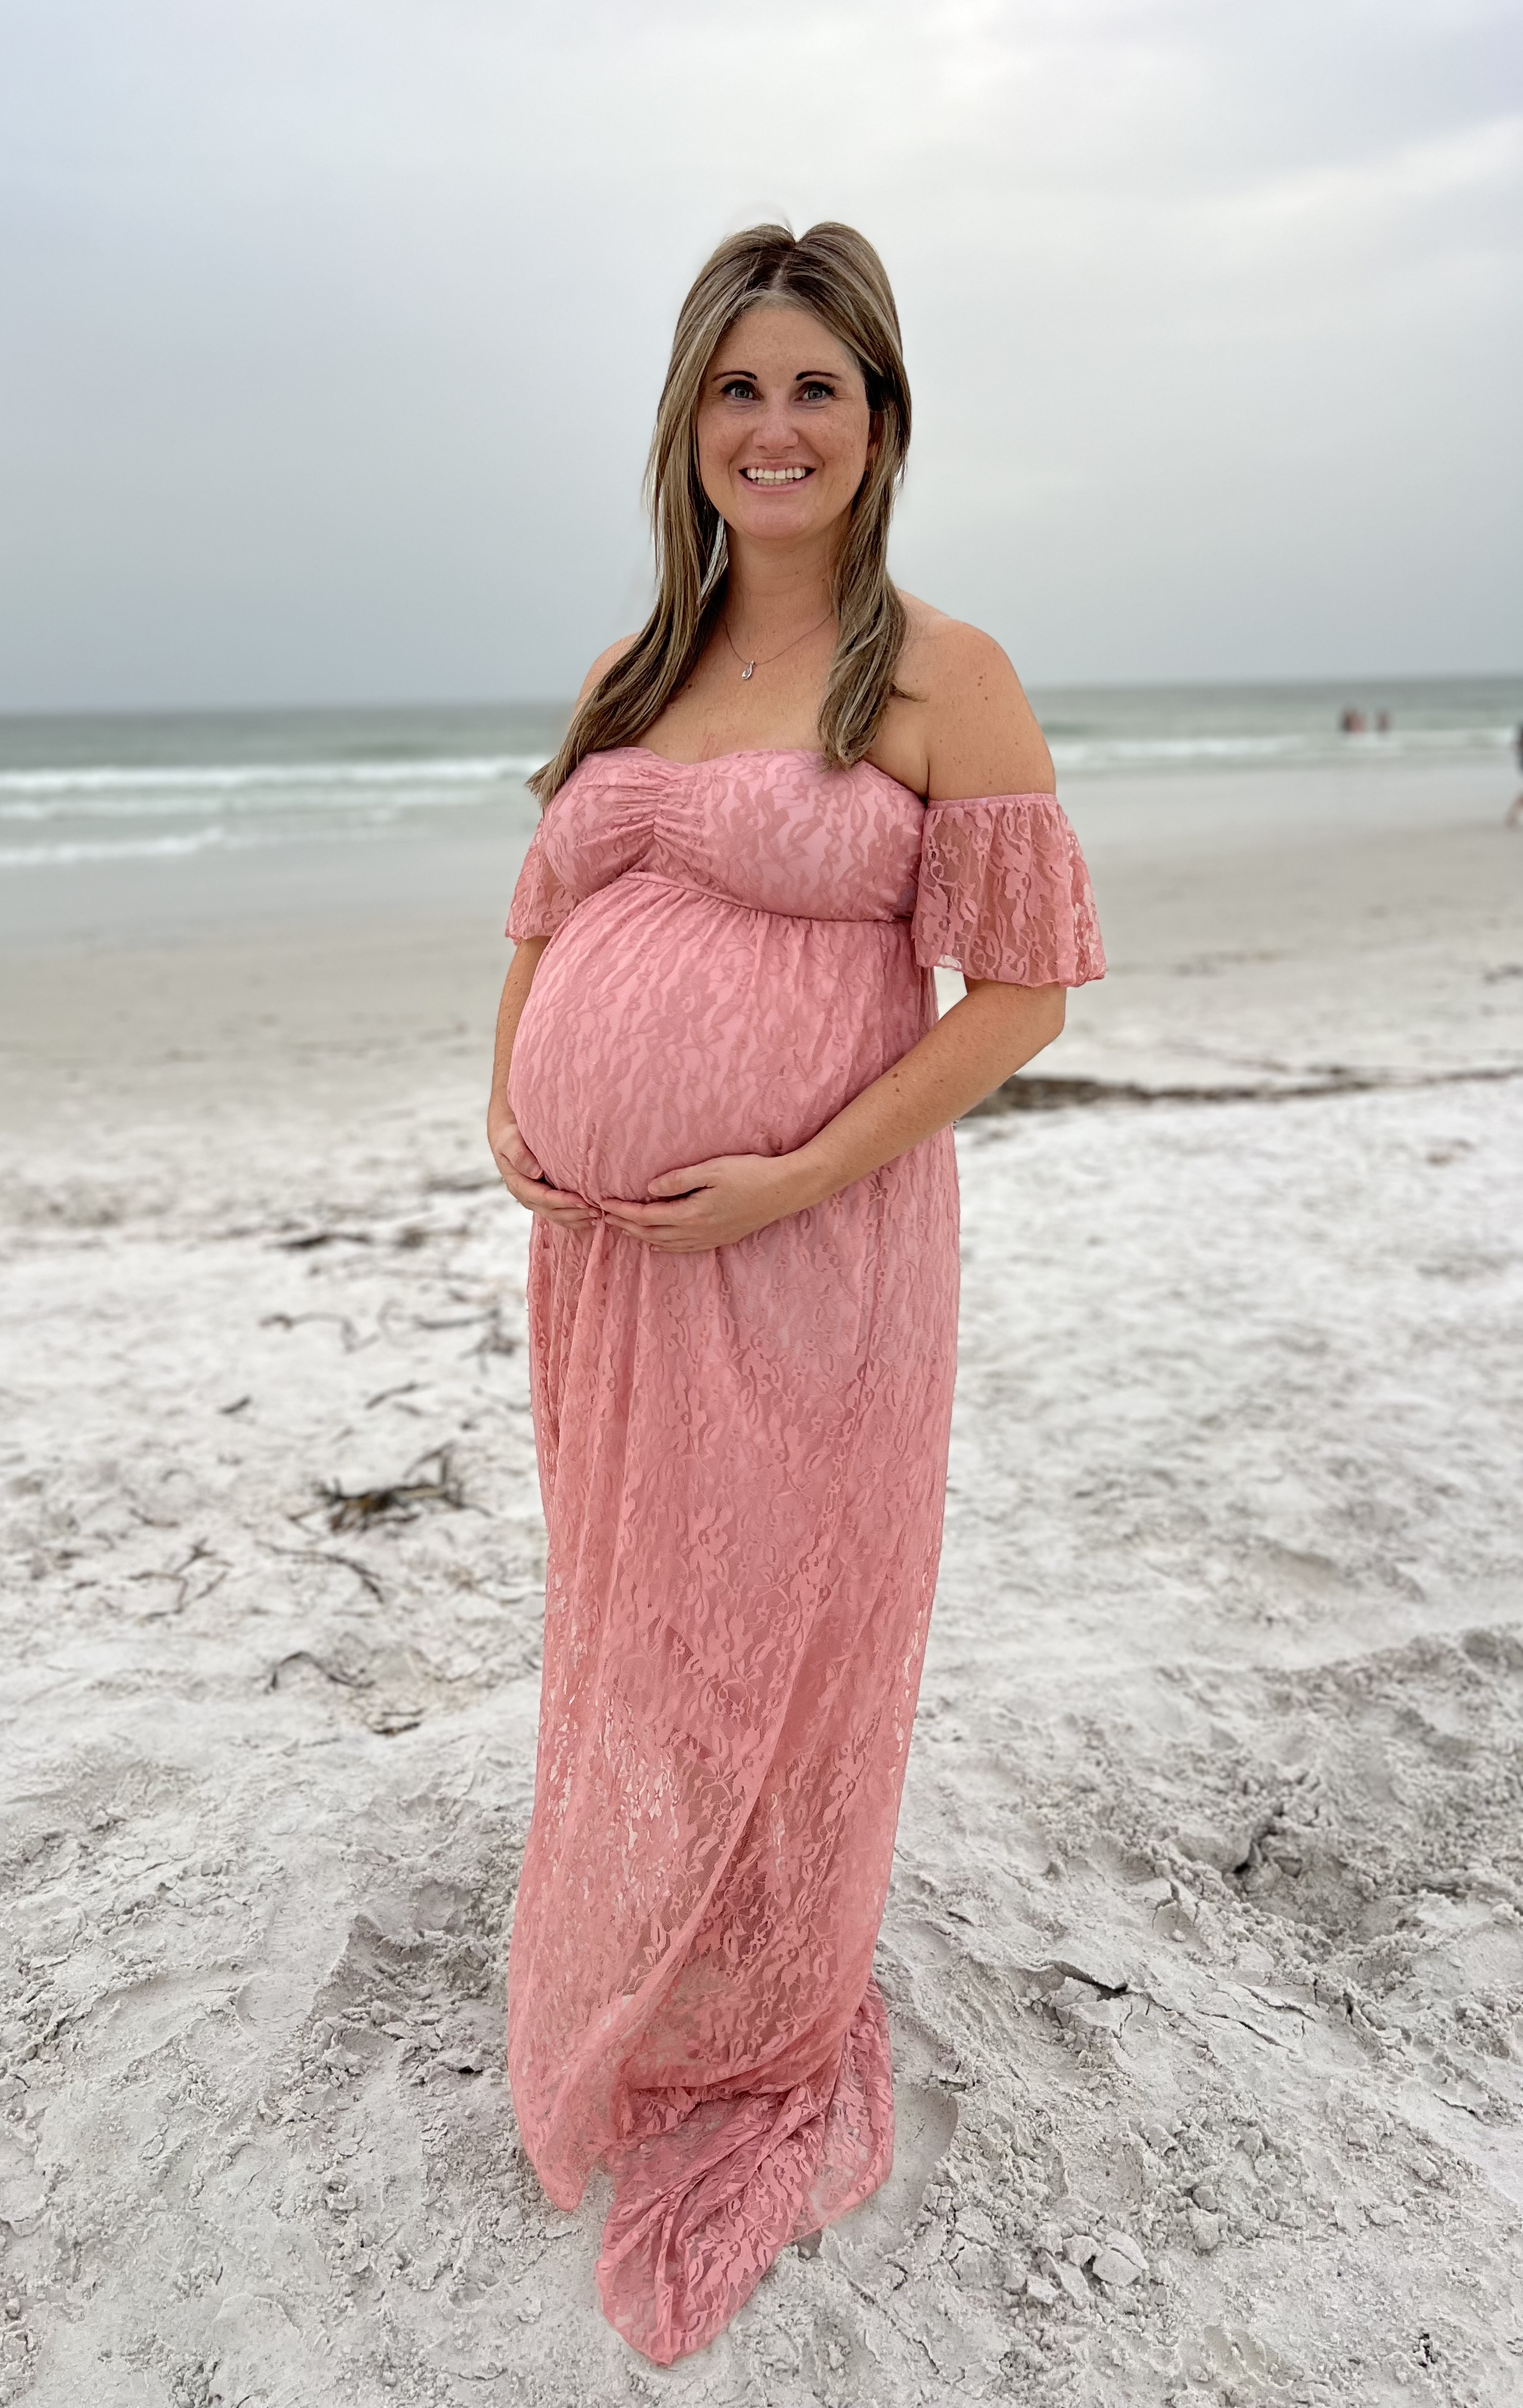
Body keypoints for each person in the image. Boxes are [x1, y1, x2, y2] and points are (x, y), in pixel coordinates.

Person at [486, 221, 1104, 2364]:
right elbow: (541, 924)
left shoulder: (945, 674)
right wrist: (514, 1108)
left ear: (881, 423)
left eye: (816, 390)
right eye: (739, 389)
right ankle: (662, 1947)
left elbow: (1017, 996)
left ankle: (762, 2002)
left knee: (787, 1618)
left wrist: (796, 1170)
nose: (775, 427)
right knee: (642, 1611)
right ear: (689, 421)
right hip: (610, 1263)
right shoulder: (623, 681)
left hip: (821, 1239)